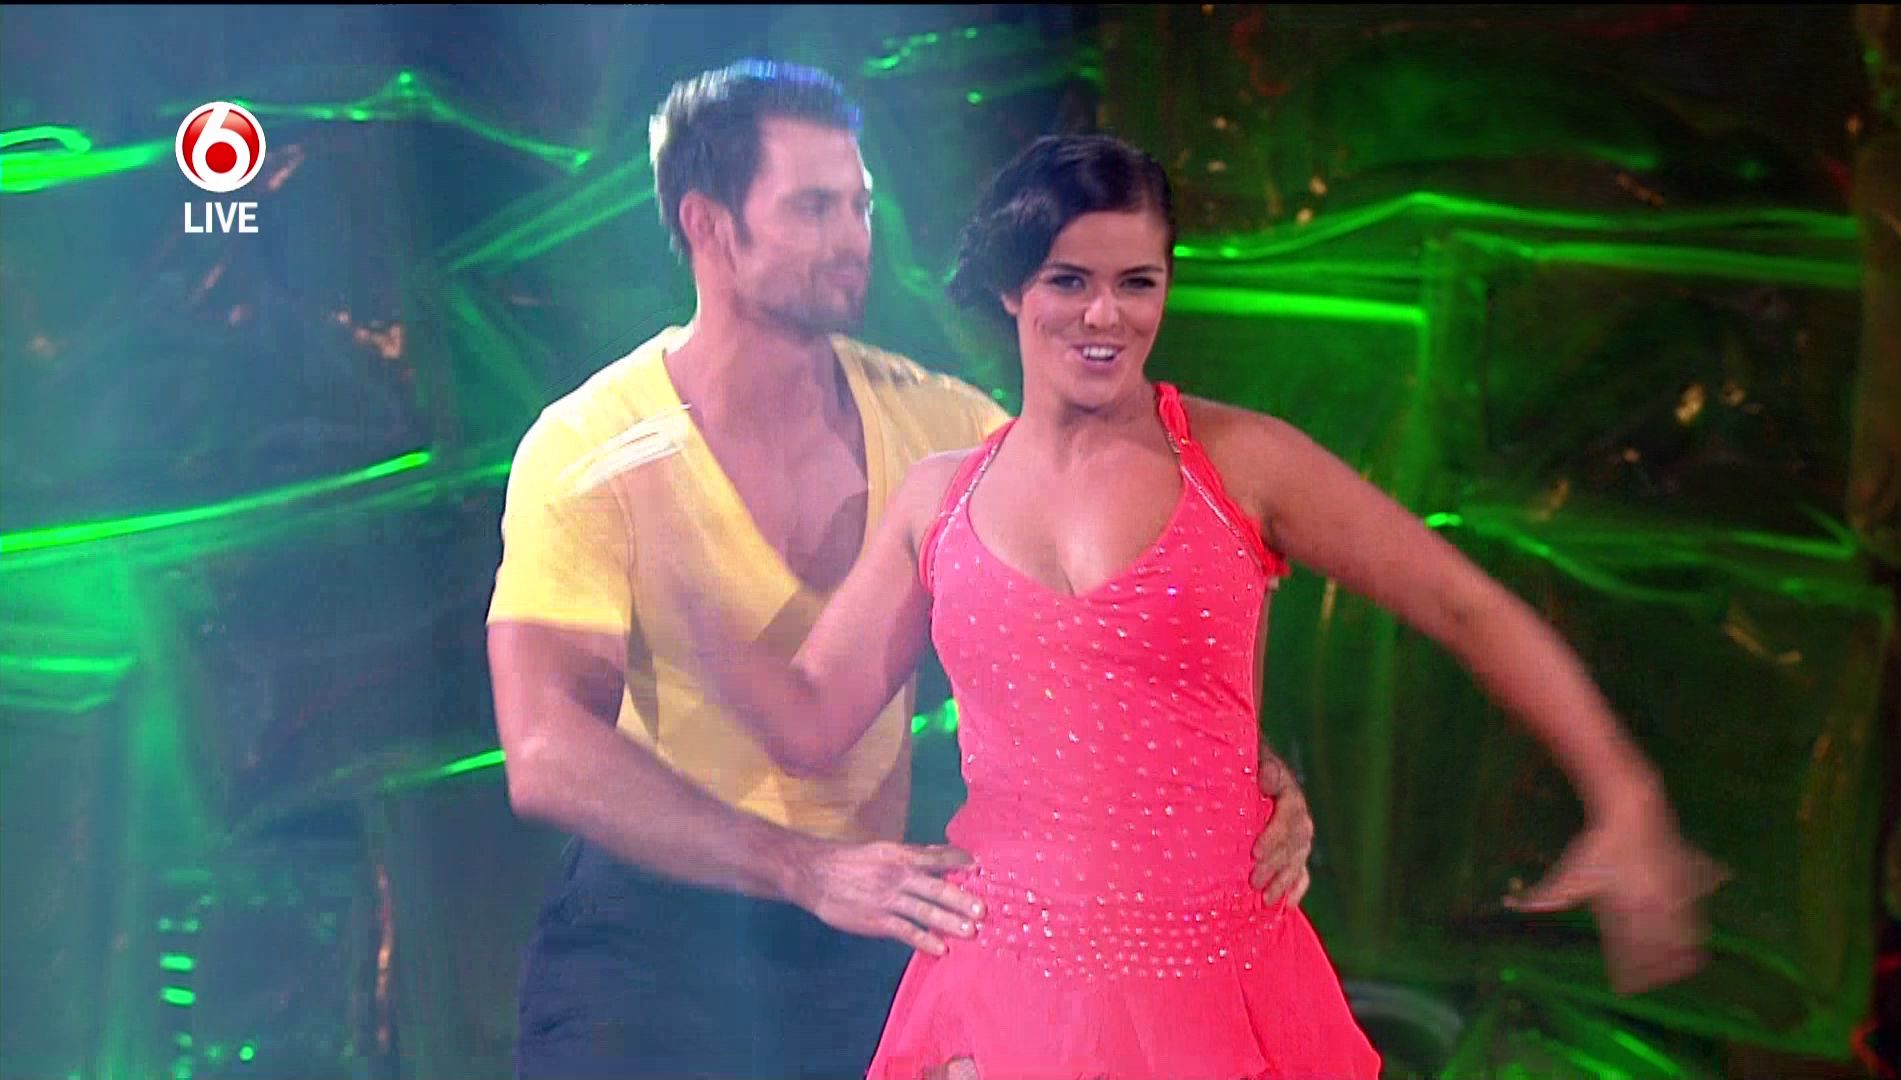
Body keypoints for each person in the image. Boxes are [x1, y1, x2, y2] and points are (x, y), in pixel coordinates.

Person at [637, 131, 1731, 1079]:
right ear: (1012, 288)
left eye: (1138, 282)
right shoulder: (940, 500)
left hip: (1220, 987)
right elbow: (810, 720)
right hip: (999, 989)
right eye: (1069, 280)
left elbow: (1463, 607)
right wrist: (674, 572)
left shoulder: (1240, 461)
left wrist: (1623, 792)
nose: (1104, 314)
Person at [485, 61, 1320, 1080]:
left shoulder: (949, 425)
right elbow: (544, 751)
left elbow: (1099, 633)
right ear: (708, 226)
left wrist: (1248, 773)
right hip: (654, 942)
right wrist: (802, 869)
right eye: (813, 208)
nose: (853, 237)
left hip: (878, 922)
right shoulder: (590, 448)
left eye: (861, 204)